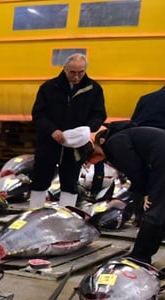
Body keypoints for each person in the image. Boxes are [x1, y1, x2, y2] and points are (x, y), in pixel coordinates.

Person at [91, 121, 165, 264]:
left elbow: (134, 168)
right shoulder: (131, 135)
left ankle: (139, 256)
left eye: (97, 151)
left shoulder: (115, 141)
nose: (100, 156)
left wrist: (145, 191)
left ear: (102, 141)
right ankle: (146, 254)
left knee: (153, 212)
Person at [29, 53, 106, 208]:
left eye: (81, 72)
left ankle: (66, 216)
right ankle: (34, 212)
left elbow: (99, 115)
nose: (76, 77)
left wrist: (88, 129)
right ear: (64, 69)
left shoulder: (94, 89)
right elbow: (38, 114)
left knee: (70, 181)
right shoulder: (49, 87)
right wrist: (52, 130)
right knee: (41, 178)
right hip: (49, 142)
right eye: (72, 72)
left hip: (76, 147)